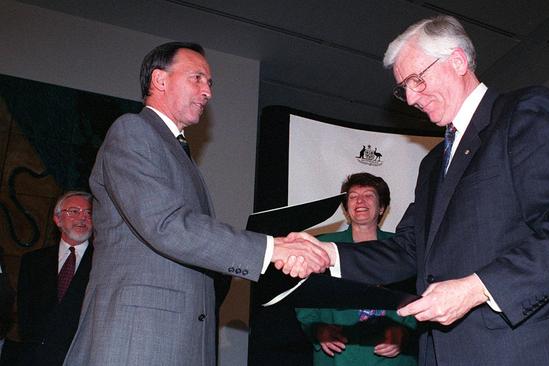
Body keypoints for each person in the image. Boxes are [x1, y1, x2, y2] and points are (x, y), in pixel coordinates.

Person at [290, 15, 549, 366]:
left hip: (521, 351)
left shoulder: (523, 113)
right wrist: (326, 255)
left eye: (416, 80)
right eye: (403, 89)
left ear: (457, 61)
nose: (411, 97)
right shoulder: (433, 164)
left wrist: (476, 288)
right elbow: (408, 249)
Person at [62, 42, 329, 366]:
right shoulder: (132, 131)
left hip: (180, 338)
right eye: (197, 78)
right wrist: (272, 250)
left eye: (210, 83)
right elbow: (167, 225)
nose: (207, 92)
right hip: (139, 337)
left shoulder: (178, 154)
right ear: (160, 80)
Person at [296, 173, 416, 366]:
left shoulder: (403, 247)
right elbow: (302, 298)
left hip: (392, 359)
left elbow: (418, 294)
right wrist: (317, 329)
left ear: (382, 207)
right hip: (339, 357)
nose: (360, 201)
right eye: (352, 196)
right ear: (346, 209)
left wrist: (404, 331)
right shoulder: (323, 246)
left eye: (369, 195)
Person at [16, 191, 94, 366]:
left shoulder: (103, 264)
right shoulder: (33, 261)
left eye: (89, 213)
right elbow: (25, 315)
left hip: (80, 357)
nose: (83, 218)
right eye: (74, 211)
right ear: (58, 219)